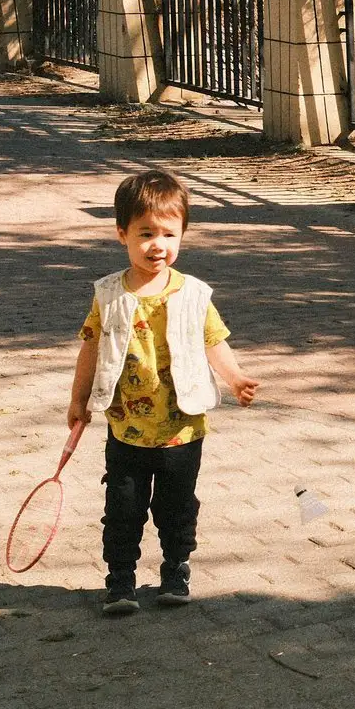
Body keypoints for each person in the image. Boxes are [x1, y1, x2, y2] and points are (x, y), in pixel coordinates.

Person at [67, 169, 259, 615]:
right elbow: (90, 347)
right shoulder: (108, 293)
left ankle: (175, 568)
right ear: (122, 235)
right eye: (145, 233)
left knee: (176, 508)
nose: (158, 244)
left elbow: (214, 341)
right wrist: (78, 401)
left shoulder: (193, 294)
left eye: (169, 234)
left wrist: (234, 379)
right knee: (123, 508)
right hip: (127, 428)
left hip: (182, 428)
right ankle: (120, 580)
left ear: (182, 236)